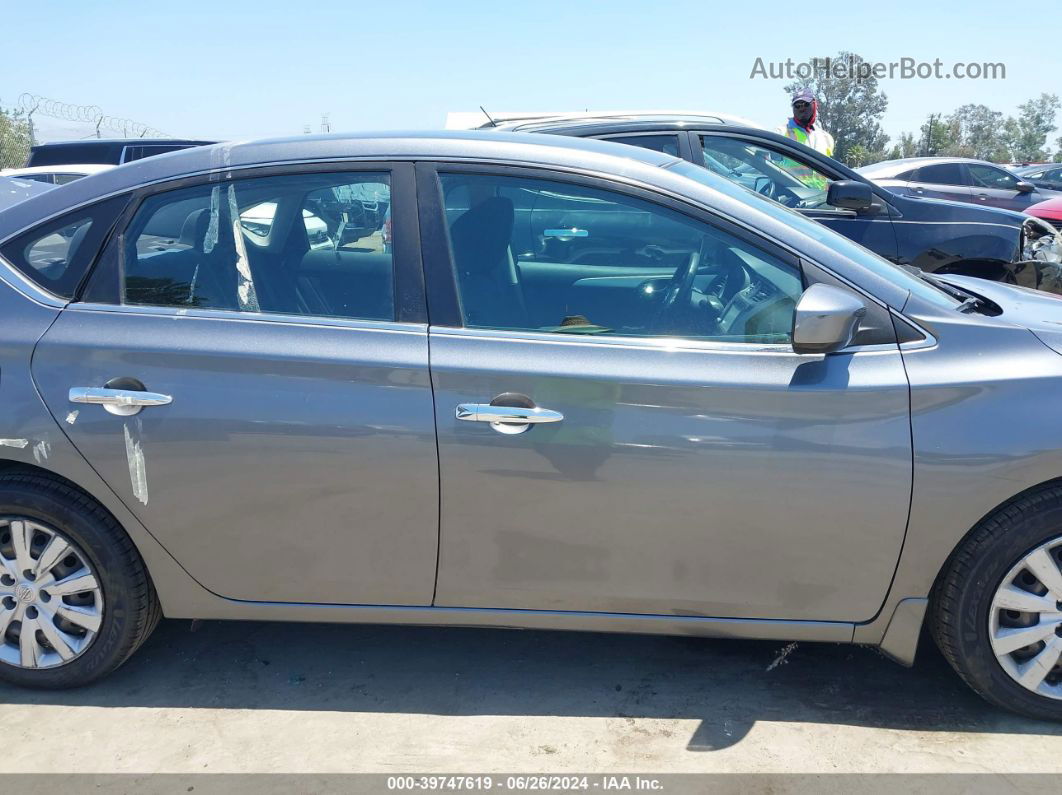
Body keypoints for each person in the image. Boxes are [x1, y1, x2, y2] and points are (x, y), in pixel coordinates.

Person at [778, 89, 835, 157]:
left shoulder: (826, 138)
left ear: (814, 105)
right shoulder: (781, 132)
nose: (801, 108)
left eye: (806, 104)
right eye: (797, 105)